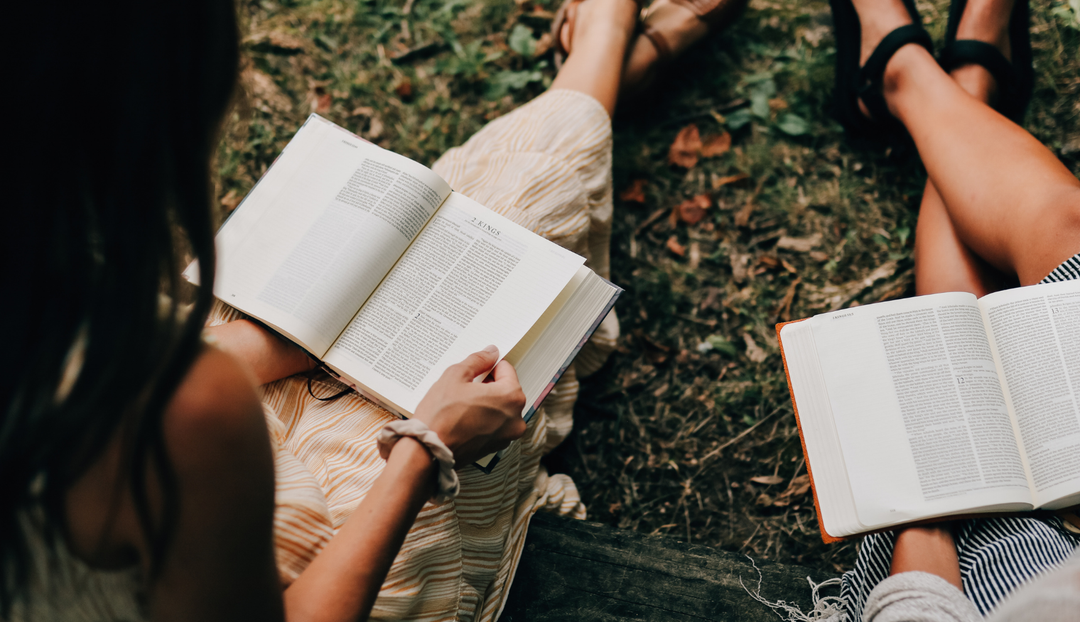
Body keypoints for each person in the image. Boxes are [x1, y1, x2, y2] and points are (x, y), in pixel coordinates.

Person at [1, 0, 744, 620]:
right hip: (313, 565)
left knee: (462, 233)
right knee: (509, 235)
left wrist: (254, 348)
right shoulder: (184, 410)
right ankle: (601, 59)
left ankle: (595, 77)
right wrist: (427, 448)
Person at [824, 0, 1080, 619]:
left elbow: (917, 605)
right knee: (1071, 233)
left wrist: (934, 504)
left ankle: (908, 74)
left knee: (958, 336)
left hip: (1000, 579)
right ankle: (967, 90)